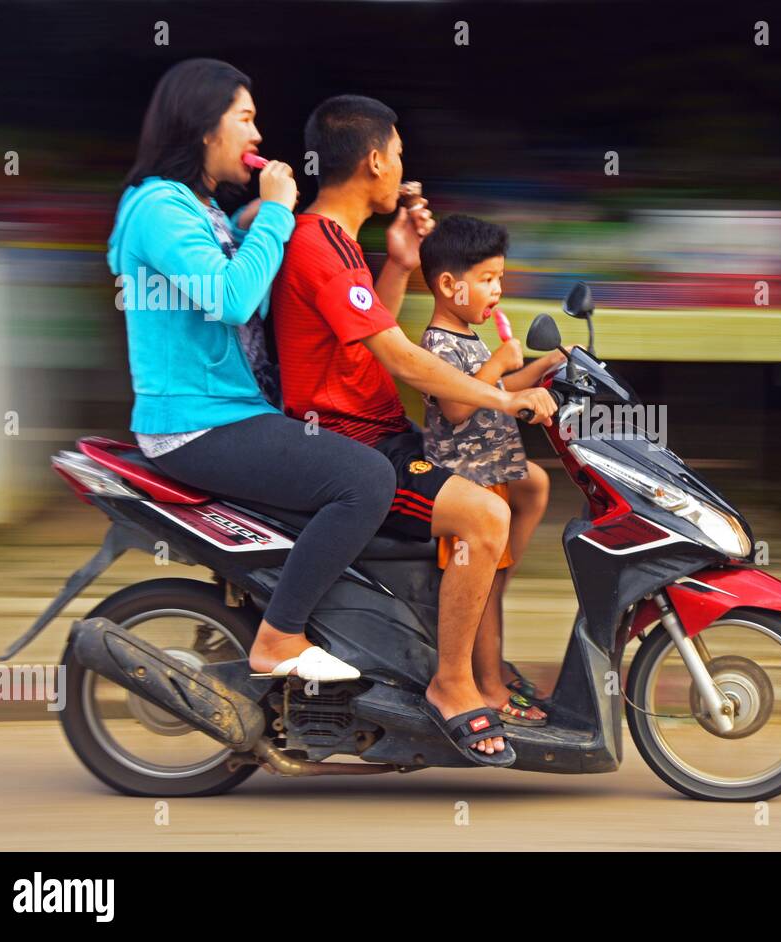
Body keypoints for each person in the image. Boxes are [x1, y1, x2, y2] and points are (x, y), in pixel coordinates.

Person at [271, 95, 557, 765]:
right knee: (484, 517)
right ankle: (452, 683)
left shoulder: (339, 243)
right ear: (374, 160)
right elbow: (402, 358)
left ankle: (475, 661)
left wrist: (399, 262)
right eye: (397, 155)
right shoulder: (317, 245)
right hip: (356, 444)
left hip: (377, 430)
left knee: (515, 489)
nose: (402, 168)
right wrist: (501, 397)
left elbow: (358, 345)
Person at [107, 60, 396, 683]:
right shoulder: (158, 206)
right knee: (366, 481)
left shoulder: (197, 209)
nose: (258, 133)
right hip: (198, 423)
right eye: (245, 118)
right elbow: (231, 299)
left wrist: (251, 226)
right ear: (203, 128)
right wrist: (272, 213)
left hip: (237, 413)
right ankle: (278, 639)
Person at [418, 215, 567, 727]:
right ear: (447, 285)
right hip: (468, 488)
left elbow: (500, 396)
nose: (497, 292)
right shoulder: (439, 343)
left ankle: (493, 672)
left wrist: (545, 366)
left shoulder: (470, 336)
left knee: (536, 490)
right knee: (483, 591)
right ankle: (490, 689)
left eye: (500, 279)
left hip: (495, 478)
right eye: (487, 280)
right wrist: (500, 364)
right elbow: (459, 407)